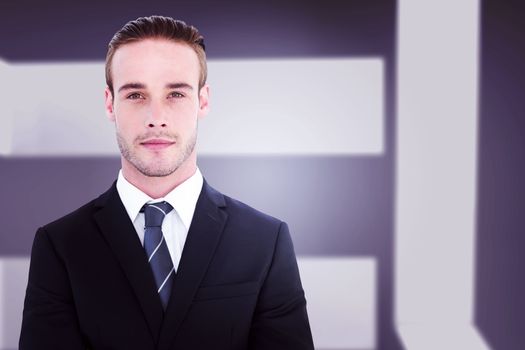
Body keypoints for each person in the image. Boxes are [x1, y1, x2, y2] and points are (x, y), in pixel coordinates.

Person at [19, 15, 314, 350]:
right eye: (135, 95)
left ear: (203, 100)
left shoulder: (266, 241)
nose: (156, 118)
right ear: (109, 102)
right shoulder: (59, 246)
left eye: (175, 94)